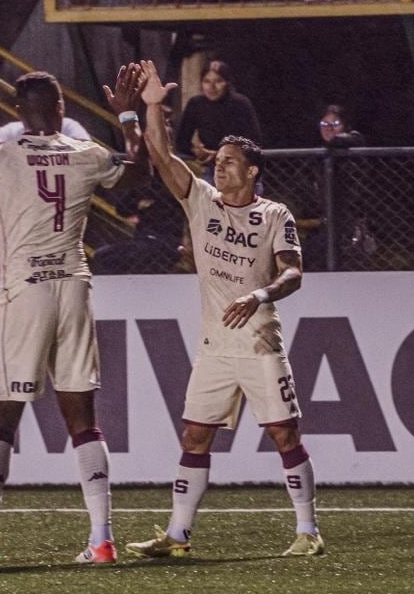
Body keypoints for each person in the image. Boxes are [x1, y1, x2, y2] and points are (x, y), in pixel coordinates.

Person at [0, 68, 149, 568]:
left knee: (1, 420)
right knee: (83, 420)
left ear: (18, 114)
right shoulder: (86, 153)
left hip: (25, 291)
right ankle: (102, 539)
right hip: (74, 287)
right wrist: (129, 116)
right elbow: (137, 175)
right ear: (62, 109)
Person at [125, 59, 323, 560]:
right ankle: (177, 535)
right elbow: (161, 153)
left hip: (258, 341)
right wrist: (153, 107)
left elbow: (293, 273)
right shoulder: (202, 201)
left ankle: (308, 531)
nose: (221, 165)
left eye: (231, 161)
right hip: (215, 345)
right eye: (219, 159)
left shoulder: (274, 214)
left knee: (284, 433)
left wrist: (259, 295)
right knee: (194, 435)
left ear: (252, 171)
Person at [299, 104, 372, 271]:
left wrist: (333, 144)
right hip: (323, 223)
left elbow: (354, 139)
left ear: (345, 126)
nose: (329, 128)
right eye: (324, 124)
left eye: (335, 123)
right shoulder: (315, 159)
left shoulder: (352, 149)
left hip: (349, 222)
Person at [176, 60, 262, 177]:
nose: (212, 87)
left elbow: (254, 141)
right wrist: (197, 152)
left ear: (227, 83)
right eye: (207, 81)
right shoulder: (196, 103)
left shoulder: (240, 104)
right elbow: (181, 141)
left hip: (239, 164)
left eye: (218, 81)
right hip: (210, 166)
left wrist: (221, 154)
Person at [0, 114, 91, 154]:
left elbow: (87, 147)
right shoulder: (14, 128)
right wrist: (19, 144)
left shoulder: (67, 124)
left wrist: (46, 146)